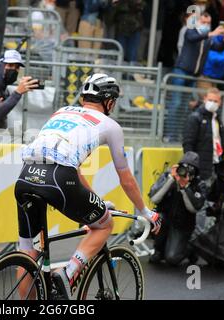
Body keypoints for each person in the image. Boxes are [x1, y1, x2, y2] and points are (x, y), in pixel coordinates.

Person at [15, 73, 162, 299]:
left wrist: (97, 202)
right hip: (59, 179)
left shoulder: (62, 111)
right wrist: (145, 211)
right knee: (104, 225)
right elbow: (126, 178)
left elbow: (74, 169)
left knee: (29, 253)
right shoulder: (110, 125)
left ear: (84, 97)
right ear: (109, 101)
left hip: (25, 176)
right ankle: (67, 274)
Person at [164, 12, 224, 142]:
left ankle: (179, 134)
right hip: (181, 72)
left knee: (187, 106)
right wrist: (211, 33)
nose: (206, 25)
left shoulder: (208, 39)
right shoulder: (190, 31)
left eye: (208, 23)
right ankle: (169, 134)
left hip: (193, 76)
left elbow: (218, 47)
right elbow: (192, 38)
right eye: (203, 22)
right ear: (197, 22)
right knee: (176, 103)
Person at [148, 151, 206, 266]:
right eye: (183, 167)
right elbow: (154, 199)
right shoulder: (169, 176)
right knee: (156, 217)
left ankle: (191, 249)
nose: (184, 172)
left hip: (182, 225)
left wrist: (185, 187)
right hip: (166, 219)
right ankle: (158, 250)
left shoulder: (198, 184)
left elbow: (194, 209)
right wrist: (170, 179)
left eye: (190, 169)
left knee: (171, 259)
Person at [183, 87, 224, 182]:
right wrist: (191, 166)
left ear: (220, 102)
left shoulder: (218, 119)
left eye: (215, 101)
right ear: (204, 99)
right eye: (210, 100)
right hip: (200, 168)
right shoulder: (195, 118)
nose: (212, 103)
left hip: (215, 165)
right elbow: (188, 143)